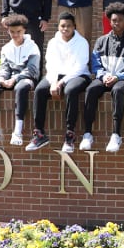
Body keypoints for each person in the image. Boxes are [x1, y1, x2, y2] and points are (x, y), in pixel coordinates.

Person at [80, 2, 124, 152]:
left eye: (120, 20)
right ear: (109, 21)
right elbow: (95, 64)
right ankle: (87, 133)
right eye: (114, 20)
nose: (117, 23)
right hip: (105, 78)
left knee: (118, 91)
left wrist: (117, 77)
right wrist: (104, 76)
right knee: (91, 89)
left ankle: (116, 135)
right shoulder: (101, 41)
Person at [25, 12, 91, 153]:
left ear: (74, 27)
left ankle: (70, 135)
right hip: (56, 75)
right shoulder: (53, 42)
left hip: (78, 75)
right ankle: (39, 134)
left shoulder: (82, 42)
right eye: (62, 26)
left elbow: (80, 66)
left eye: (68, 26)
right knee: (40, 90)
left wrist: (61, 82)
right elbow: (50, 65)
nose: (65, 29)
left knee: (70, 91)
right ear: (58, 26)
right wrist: (54, 81)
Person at [0, 14, 39, 146]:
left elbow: (32, 70)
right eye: (12, 32)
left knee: (20, 88)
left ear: (24, 30)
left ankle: (17, 132)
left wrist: (15, 79)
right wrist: (1, 78)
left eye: (18, 31)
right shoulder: (6, 48)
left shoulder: (33, 47)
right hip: (10, 79)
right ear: (8, 31)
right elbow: (4, 67)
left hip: (27, 79)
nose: (15, 34)